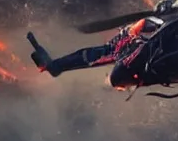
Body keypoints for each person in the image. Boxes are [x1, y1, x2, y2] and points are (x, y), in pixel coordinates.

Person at [28, 15, 164, 89]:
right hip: (122, 50)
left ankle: (53, 66)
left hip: (133, 56)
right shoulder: (132, 40)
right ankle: (53, 66)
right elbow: (141, 24)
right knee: (92, 56)